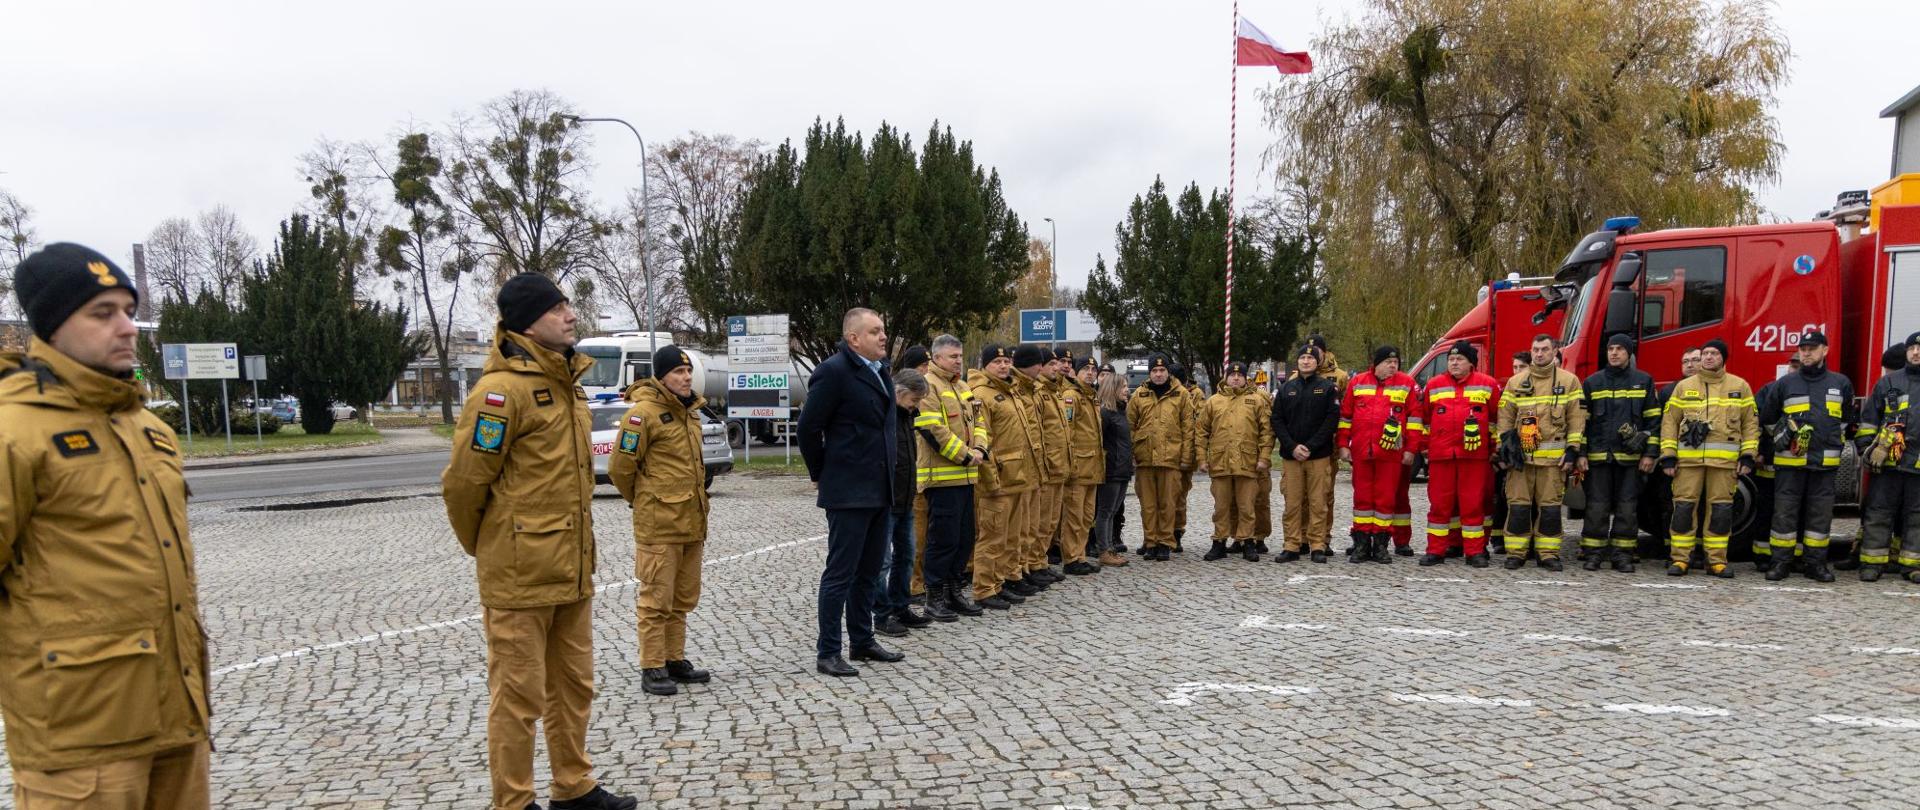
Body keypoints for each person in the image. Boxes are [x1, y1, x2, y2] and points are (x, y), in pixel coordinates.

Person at [0, 244, 212, 809]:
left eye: (127, 310)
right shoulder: (13, 430)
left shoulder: (147, 428)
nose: (126, 328)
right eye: (102, 314)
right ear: (51, 326)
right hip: (80, 739)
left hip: (178, 718)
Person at [443, 272, 637, 810]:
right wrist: (491, 549)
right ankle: (514, 801)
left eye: (568, 305)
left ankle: (573, 787)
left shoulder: (565, 383)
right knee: (518, 697)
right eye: (558, 308)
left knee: (573, 688)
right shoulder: (500, 393)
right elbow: (463, 485)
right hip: (520, 575)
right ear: (528, 321)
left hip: (570, 570)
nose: (571, 314)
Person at [797, 308, 906, 677]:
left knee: (869, 570)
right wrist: (822, 473)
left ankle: (862, 640)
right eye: (875, 331)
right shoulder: (834, 371)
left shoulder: (882, 371)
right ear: (853, 338)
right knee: (840, 573)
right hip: (848, 490)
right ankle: (828, 651)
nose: (883, 336)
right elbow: (808, 429)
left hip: (879, 489)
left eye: (883, 330)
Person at [609, 345, 716, 698]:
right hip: (659, 524)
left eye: (688, 372)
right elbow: (621, 469)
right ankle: (652, 665)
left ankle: (674, 659)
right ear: (661, 377)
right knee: (656, 598)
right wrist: (644, 501)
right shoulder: (642, 415)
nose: (685, 378)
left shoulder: (691, 413)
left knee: (682, 597)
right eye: (677, 373)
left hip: (691, 522)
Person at [1758, 332, 1854, 583]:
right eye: (1802, 348)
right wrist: (1783, 438)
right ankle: (1780, 562)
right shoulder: (1785, 384)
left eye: (1812, 348)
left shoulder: (1841, 383)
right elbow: (1767, 419)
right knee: (1784, 514)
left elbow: (1845, 421)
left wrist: (1831, 441)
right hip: (1790, 464)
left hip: (1825, 464)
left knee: (1819, 517)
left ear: (1825, 350)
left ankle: (1815, 563)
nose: (1806, 353)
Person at [1659, 338, 1758, 578]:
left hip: (1724, 464)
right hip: (1688, 462)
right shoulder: (1684, 387)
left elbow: (1751, 424)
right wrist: (1669, 456)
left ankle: (1717, 561)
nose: (1708, 357)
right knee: (1683, 509)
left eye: (1714, 353)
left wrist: (1748, 456)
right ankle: (1681, 559)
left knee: (1721, 512)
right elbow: (1670, 421)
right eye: (1705, 353)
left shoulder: (1740, 386)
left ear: (1723, 357)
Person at [1495, 334, 1587, 572]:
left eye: (1544, 349)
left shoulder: (1570, 382)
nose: (1539, 354)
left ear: (1555, 351)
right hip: (1521, 461)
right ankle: (1516, 553)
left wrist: (1573, 451)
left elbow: (1577, 419)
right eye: (1535, 349)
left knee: (1550, 509)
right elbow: (1505, 417)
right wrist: (1504, 449)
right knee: (1518, 507)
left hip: (1553, 462)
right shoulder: (1516, 382)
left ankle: (1548, 554)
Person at [913, 335, 985, 621]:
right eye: (953, 356)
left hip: (967, 477)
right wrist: (966, 455)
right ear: (937, 357)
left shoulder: (963, 386)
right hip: (942, 479)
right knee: (942, 541)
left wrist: (979, 448)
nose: (958, 360)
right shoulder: (927, 386)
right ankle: (935, 596)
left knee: (964, 539)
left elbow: (978, 421)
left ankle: (955, 592)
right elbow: (933, 430)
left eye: (960, 356)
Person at [1413, 340, 1501, 568]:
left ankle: (1475, 551)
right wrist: (1424, 446)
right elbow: (1424, 420)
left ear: (1471, 363)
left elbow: (1496, 420)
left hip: (1474, 457)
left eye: (1459, 359)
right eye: (1451, 359)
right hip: (1441, 456)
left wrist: (1492, 448)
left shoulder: (1487, 385)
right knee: (1440, 505)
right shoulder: (1434, 385)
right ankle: (1436, 550)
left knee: (1473, 505)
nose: (1453, 362)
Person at [1577, 334, 1660, 573]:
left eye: (1620, 349)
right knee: (1596, 507)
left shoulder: (1643, 381)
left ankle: (1622, 555)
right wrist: (1581, 453)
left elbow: (1653, 421)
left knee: (1627, 509)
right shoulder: (1593, 382)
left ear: (1629, 353)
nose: (1614, 353)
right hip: (1598, 458)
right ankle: (1593, 553)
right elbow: (1583, 423)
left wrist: (1650, 454)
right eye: (1611, 349)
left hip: (1631, 460)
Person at [967, 344, 1039, 609]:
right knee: (992, 536)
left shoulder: (1010, 392)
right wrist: (990, 480)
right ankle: (984, 589)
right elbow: (981, 441)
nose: (1004, 365)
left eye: (1006, 360)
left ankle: (1000, 582)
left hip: (1017, 477)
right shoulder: (981, 395)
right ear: (985, 364)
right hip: (996, 480)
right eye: (997, 361)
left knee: (1010, 536)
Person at [1338, 345, 1418, 563]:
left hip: (1391, 454)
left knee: (1385, 500)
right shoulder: (1358, 382)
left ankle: (1381, 545)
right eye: (1388, 362)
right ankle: (1362, 544)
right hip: (1362, 451)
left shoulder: (1407, 384)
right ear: (1376, 364)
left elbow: (1415, 420)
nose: (1393, 366)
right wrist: (1343, 445)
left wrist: (1411, 449)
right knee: (1362, 499)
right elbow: (1346, 417)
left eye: (1396, 362)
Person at [874, 368, 935, 636]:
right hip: (885, 500)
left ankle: (901, 606)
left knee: (906, 556)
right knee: (881, 563)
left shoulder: (908, 416)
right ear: (899, 393)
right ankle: (882, 614)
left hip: (906, 499)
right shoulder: (884, 414)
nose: (917, 405)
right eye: (914, 399)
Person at [1195, 361, 1273, 561]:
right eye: (1232, 375)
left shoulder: (1256, 400)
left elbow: (1266, 432)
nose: (1236, 378)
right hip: (1221, 462)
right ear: (1225, 376)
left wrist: (1264, 458)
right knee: (1221, 507)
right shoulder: (1213, 401)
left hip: (1248, 462)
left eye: (1240, 375)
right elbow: (1201, 432)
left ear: (1246, 378)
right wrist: (1202, 458)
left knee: (1247, 506)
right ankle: (1219, 542)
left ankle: (1248, 542)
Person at [1857, 335, 1920, 582]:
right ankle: (1872, 564)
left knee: (1917, 516)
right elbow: (1870, 420)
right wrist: (1867, 450)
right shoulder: (1888, 383)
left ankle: (1913, 566)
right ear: (1906, 353)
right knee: (1879, 513)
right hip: (1887, 464)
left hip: (1918, 465)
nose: (1916, 353)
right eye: (1912, 348)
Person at [1273, 343, 1341, 563]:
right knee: (1292, 503)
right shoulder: (1285, 389)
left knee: (1317, 502)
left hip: (1318, 455)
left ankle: (1317, 545)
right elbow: (1277, 420)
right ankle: (1291, 544)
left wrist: (1310, 446)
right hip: (1291, 456)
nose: (1306, 361)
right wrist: (1292, 446)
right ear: (1298, 362)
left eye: (1310, 359)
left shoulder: (1328, 388)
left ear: (1317, 362)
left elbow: (1331, 420)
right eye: (1302, 358)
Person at [1128, 354, 1195, 560]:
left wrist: (1185, 458)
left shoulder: (1182, 394)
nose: (1158, 374)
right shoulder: (1139, 395)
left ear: (1168, 372)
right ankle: (1150, 541)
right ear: (1150, 373)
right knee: (1148, 505)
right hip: (1145, 458)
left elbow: (1188, 428)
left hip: (1171, 458)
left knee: (1168, 504)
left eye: (1162, 371)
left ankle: (1165, 542)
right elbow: (1130, 426)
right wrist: (1131, 455)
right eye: (1154, 371)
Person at [1021, 348, 1070, 588]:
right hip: (1046, 465)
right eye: (1051, 364)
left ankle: (1040, 561)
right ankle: (1033, 562)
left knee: (1050, 521)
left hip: (1059, 464)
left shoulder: (1055, 391)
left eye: (1056, 364)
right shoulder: (1039, 392)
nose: (1056, 367)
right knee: (1039, 522)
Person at [1060, 355, 1106, 575]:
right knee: (1074, 515)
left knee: (1087, 516)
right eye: (1085, 369)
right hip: (1079, 467)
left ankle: (1080, 555)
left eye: (1093, 369)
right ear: (1075, 372)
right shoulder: (1072, 396)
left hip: (1093, 467)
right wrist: (1070, 464)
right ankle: (1071, 558)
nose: (1090, 372)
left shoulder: (1092, 396)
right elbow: (1067, 431)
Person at [896, 344, 934, 606]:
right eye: (923, 366)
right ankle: (911, 587)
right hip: (908, 483)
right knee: (910, 544)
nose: (927, 371)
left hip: (912, 481)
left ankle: (907, 595)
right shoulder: (897, 405)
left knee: (910, 548)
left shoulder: (912, 404)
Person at [1487, 350, 1529, 556]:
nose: (1517, 371)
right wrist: (1499, 452)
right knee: (1500, 498)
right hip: (1506, 452)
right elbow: (1499, 421)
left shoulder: (1533, 390)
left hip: (1528, 453)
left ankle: (1524, 540)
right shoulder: (1507, 390)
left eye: (1522, 367)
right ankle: (1497, 538)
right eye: (1515, 367)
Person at [1094, 373, 1134, 568]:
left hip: (1123, 469)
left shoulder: (1120, 411)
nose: (1127, 389)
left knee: (1113, 510)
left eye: (1127, 386)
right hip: (1111, 469)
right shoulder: (1105, 414)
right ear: (1113, 389)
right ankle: (1104, 550)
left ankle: (1109, 547)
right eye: (1123, 386)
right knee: (1105, 511)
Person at [1171, 362, 1205, 552]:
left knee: (1179, 497)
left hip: (1186, 453)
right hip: (1168, 453)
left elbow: (1197, 423)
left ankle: (1176, 532)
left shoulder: (1196, 395)